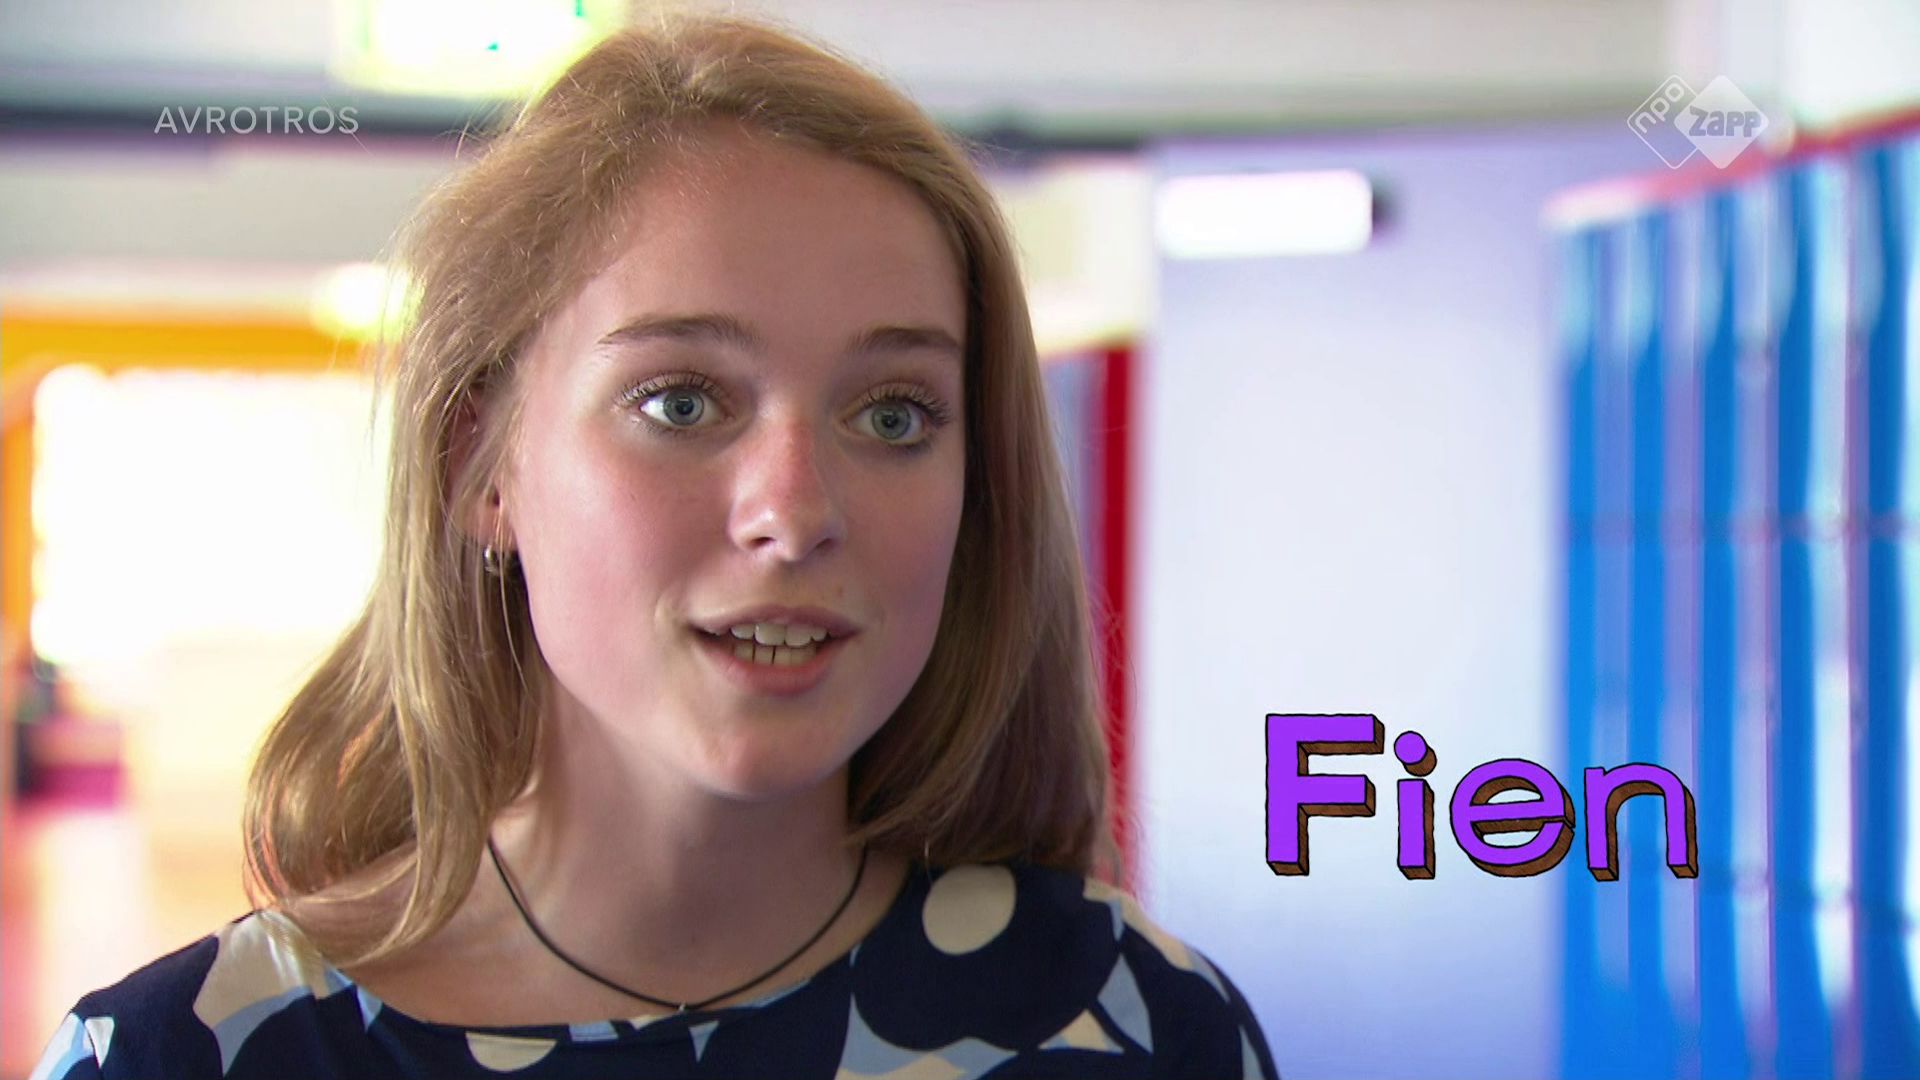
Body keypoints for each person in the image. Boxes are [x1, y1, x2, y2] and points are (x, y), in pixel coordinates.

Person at [32, 13, 1277, 1079]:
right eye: (681, 402)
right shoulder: (184, 1055)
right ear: (480, 467)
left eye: (893, 414)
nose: (793, 510)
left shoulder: (1140, 1025)